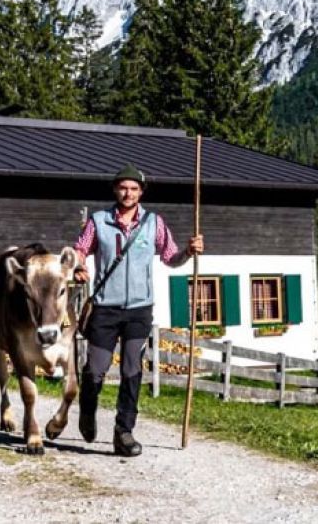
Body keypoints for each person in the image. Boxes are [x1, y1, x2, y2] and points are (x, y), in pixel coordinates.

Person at [74, 163, 203, 457]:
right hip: (105, 308)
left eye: (133, 188)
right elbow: (80, 249)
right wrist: (79, 266)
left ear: (141, 192)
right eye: (123, 187)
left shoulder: (153, 223)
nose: (127, 193)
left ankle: (124, 431)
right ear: (115, 190)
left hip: (139, 310)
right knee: (95, 370)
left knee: (132, 369)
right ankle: (87, 410)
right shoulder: (98, 221)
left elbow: (170, 257)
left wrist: (189, 251)